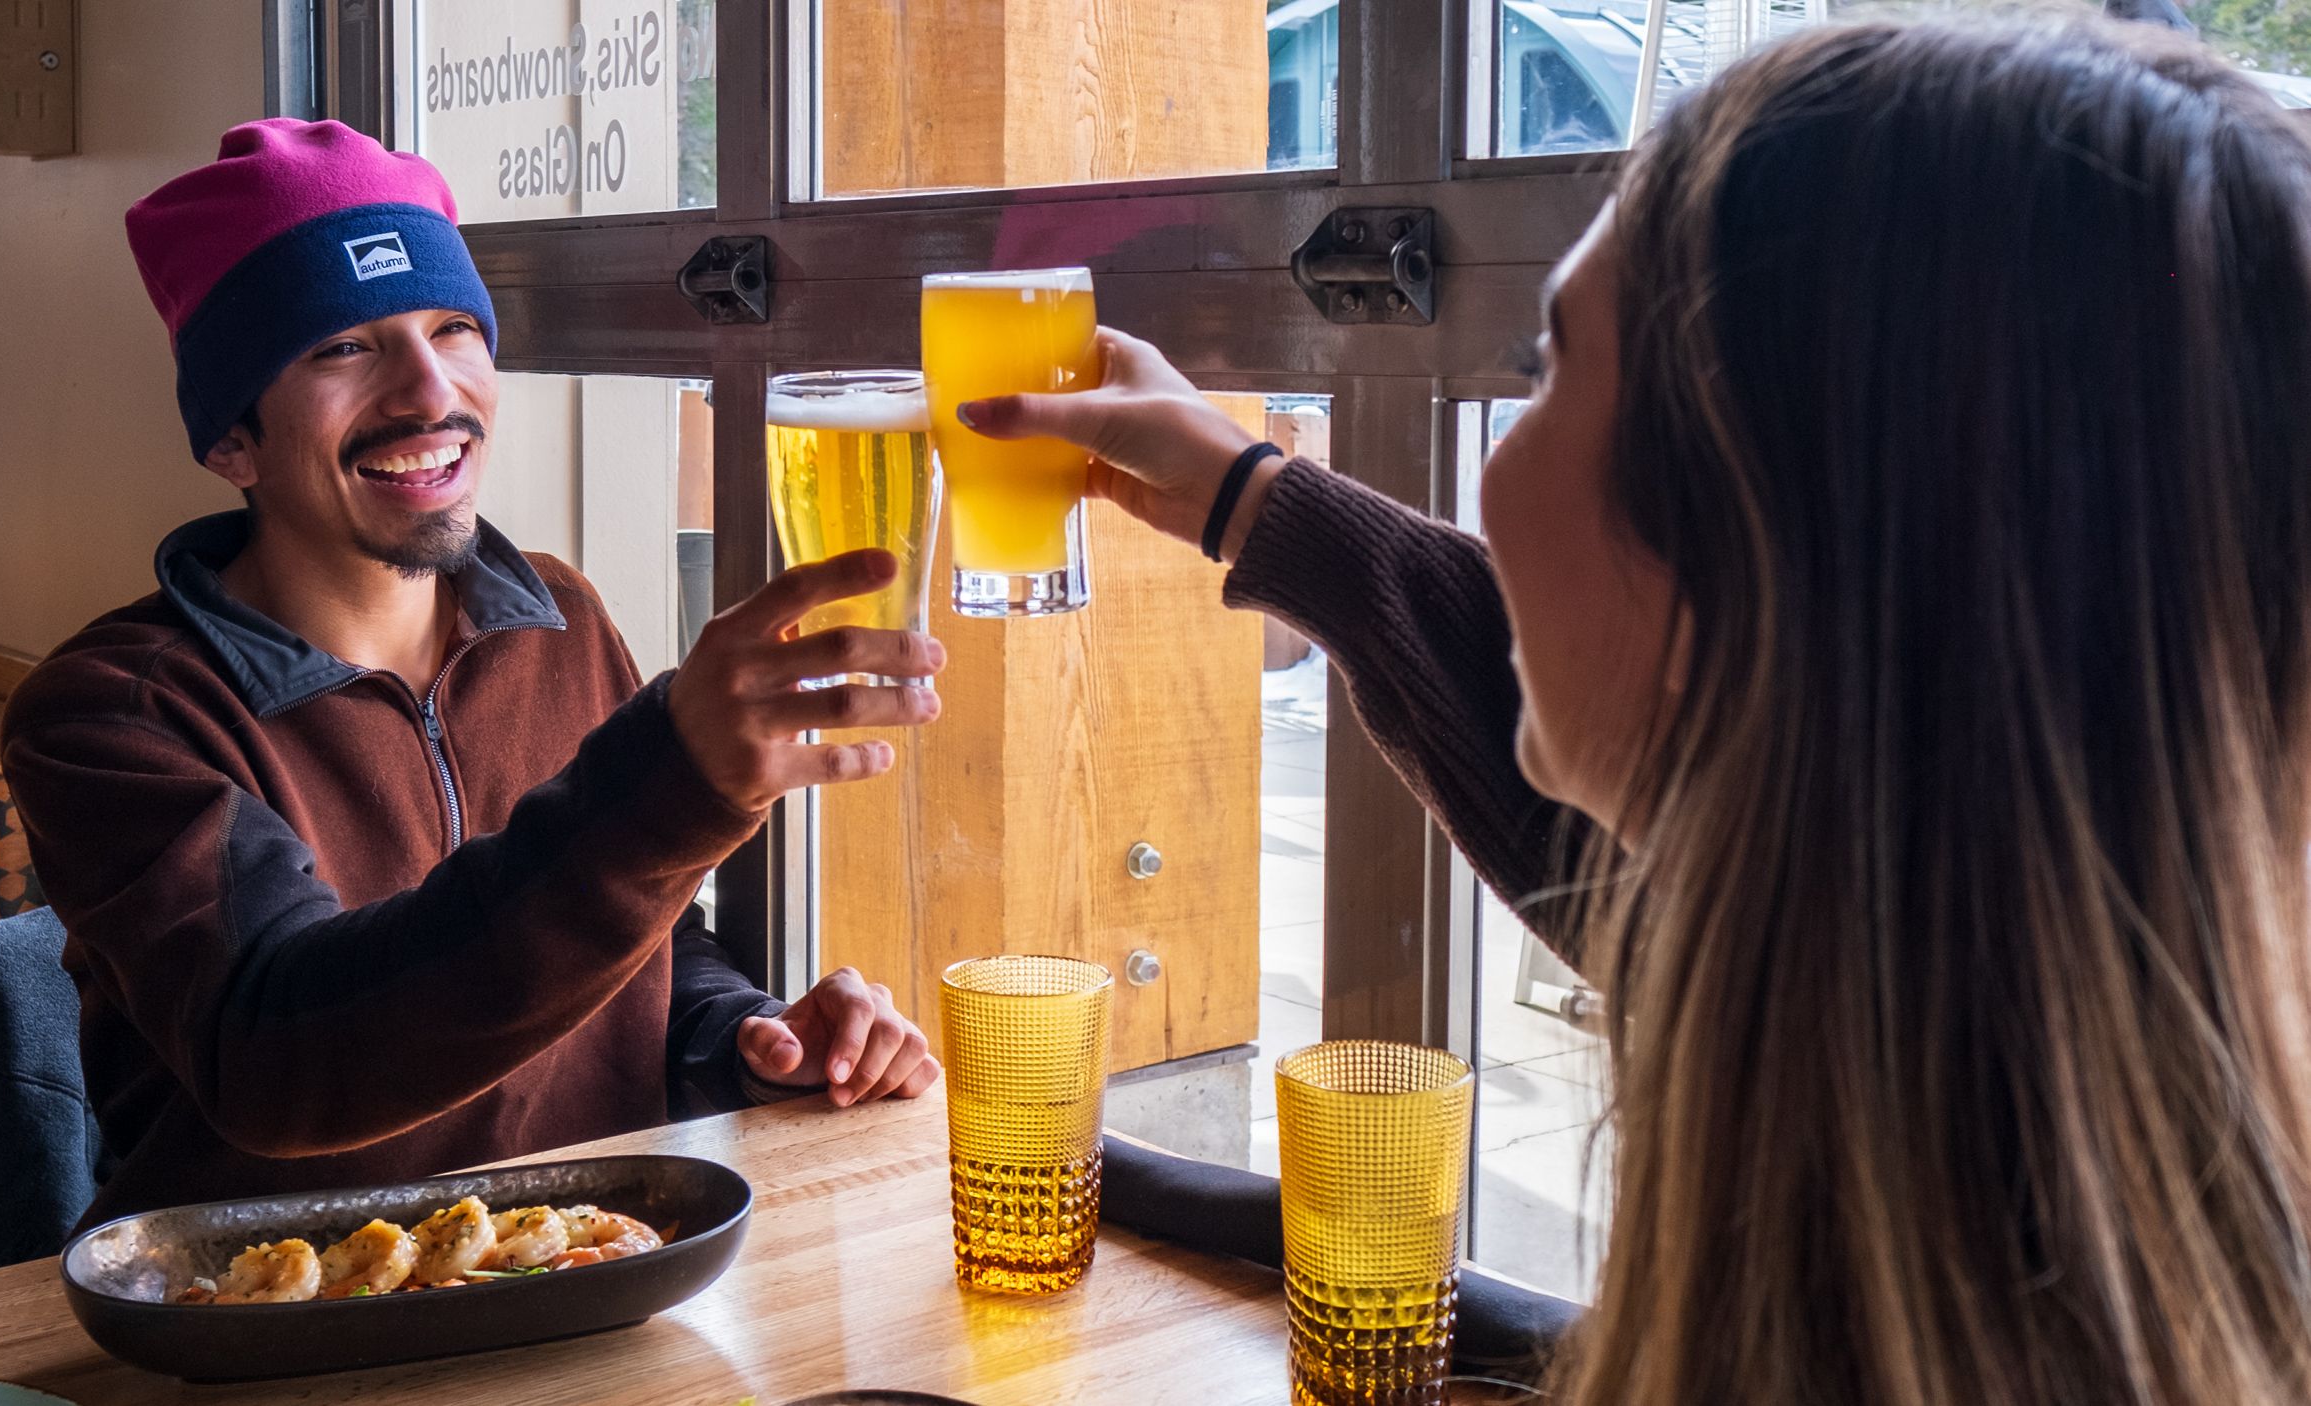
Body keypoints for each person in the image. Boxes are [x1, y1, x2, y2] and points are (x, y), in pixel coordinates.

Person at [969, 15, 2311, 1404]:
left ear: (1742, 553)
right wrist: (1253, 499)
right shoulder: (1999, 1093)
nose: (1494, 468)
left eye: (1543, 370)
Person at [3, 119, 944, 1224]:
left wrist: (745, 1034)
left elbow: (639, 946)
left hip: (590, 1278)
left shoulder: (560, 619)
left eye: (454, 328)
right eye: (342, 347)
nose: (427, 392)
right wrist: (670, 790)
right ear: (231, 442)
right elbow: (280, 1051)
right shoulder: (114, 713)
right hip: (275, 1334)